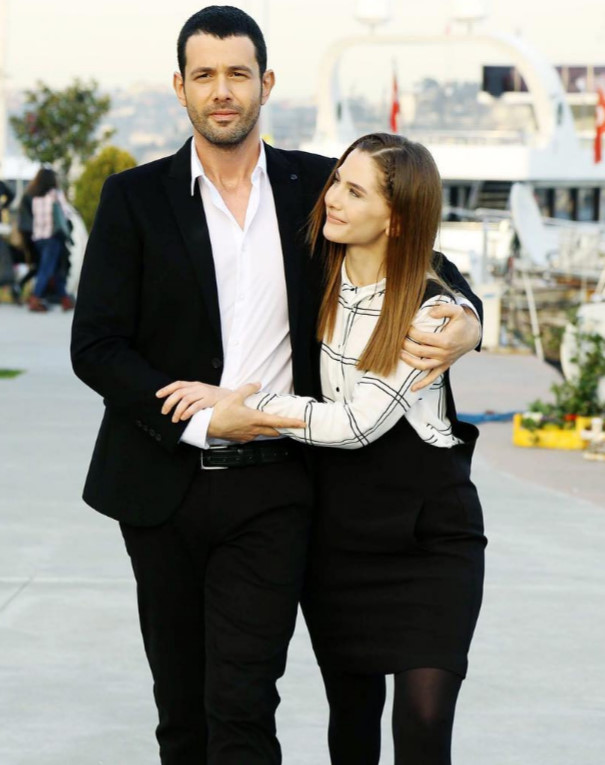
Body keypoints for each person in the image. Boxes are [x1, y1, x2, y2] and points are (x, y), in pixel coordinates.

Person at [71, 7, 482, 764]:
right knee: (181, 709)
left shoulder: (316, 186)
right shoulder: (134, 197)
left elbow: (421, 255)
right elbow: (96, 347)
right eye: (204, 75)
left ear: (266, 83)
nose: (221, 91)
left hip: (276, 485)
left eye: (237, 73)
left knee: (243, 702)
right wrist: (200, 420)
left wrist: (469, 320)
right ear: (180, 87)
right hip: (160, 483)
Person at [159, 133, 487, 765]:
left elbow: (356, 424)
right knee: (352, 721)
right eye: (337, 180)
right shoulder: (317, 273)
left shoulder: (429, 311)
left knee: (423, 723)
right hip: (337, 535)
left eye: (354, 192)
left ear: (395, 220)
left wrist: (239, 407)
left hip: (430, 537)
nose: (332, 198)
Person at [28, 167, 74, 312]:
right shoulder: (55, 194)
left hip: (38, 237)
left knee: (54, 268)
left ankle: (65, 299)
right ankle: (35, 299)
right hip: (53, 237)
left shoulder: (35, 196)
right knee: (47, 269)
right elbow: (66, 213)